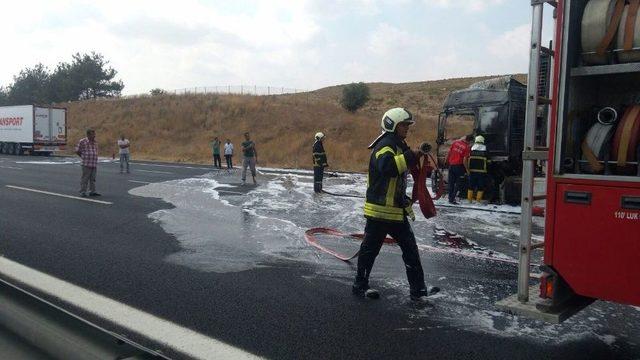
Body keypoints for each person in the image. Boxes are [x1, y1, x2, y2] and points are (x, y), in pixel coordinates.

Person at [352, 108, 439, 301]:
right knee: (369, 251)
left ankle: (419, 291)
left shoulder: (399, 145)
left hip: (395, 211)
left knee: (411, 251)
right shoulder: (385, 146)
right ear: (392, 125)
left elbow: (402, 170)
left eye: (408, 125)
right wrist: (411, 156)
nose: (407, 128)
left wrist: (417, 155)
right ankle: (360, 286)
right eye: (403, 125)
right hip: (379, 212)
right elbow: (388, 168)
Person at [446, 134, 473, 204]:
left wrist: (447, 161)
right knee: (458, 184)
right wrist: (467, 170)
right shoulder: (467, 147)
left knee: (451, 183)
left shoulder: (455, 143)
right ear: (470, 141)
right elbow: (464, 160)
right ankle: (452, 199)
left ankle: (450, 198)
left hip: (451, 165)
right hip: (459, 167)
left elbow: (449, 153)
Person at [76, 129, 100, 197]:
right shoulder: (83, 141)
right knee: (85, 178)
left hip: (94, 163)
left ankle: (92, 191)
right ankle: (83, 191)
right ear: (88, 135)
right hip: (86, 163)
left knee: (93, 179)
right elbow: (77, 150)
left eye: (94, 134)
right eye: (93, 134)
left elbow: (95, 150)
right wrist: (83, 157)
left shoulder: (95, 142)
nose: (94, 136)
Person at [467, 135, 489, 203]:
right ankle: (478, 200)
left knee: (471, 185)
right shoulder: (485, 149)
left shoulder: (471, 148)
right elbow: (489, 161)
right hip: (481, 171)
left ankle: (469, 200)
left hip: (472, 171)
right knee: (480, 186)